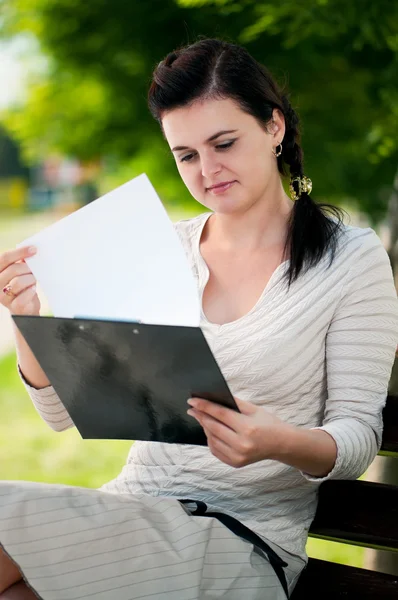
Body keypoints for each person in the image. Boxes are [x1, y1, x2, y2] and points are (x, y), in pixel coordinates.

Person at [0, 37, 397, 600]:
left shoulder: (348, 259)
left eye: (224, 143)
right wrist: (26, 317)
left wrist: (277, 441)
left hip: (244, 538)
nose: (207, 170)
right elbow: (60, 413)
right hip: (134, 509)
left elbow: (358, 435)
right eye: (186, 155)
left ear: (275, 128)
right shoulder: (160, 250)